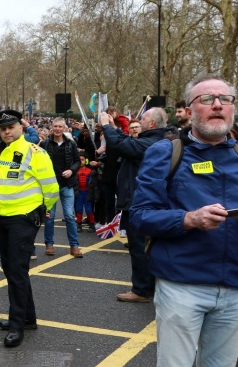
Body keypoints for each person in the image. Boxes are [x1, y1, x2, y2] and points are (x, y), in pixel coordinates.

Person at [130, 74, 238, 366]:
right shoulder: (166, 153)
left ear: (232, 108)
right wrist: (189, 219)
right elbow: (140, 216)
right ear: (189, 112)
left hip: (234, 289)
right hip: (182, 285)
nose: (217, 105)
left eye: (225, 99)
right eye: (206, 99)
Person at [0, 110, 59, 347]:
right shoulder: (3, 152)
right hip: (4, 217)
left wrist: (43, 210)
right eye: (3, 129)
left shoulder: (34, 152)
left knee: (17, 271)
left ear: (21, 127)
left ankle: (17, 324)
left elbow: (50, 186)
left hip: (24, 218)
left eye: (11, 127)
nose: (7, 132)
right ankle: (27, 318)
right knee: (12, 269)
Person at [102, 107, 166, 302]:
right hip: (142, 201)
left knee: (139, 247)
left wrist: (106, 126)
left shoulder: (152, 143)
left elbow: (122, 145)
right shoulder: (153, 140)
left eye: (144, 118)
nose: (140, 120)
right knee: (147, 247)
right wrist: (115, 128)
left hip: (138, 203)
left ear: (152, 124)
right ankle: (150, 286)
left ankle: (141, 290)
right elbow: (127, 142)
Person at [39, 118, 83, 258]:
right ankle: (49, 245)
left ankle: (74, 246)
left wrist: (71, 170)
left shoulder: (71, 143)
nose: (57, 129)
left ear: (64, 128)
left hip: (67, 184)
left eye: (60, 126)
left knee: (70, 216)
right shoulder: (45, 143)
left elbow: (77, 161)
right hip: (50, 185)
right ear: (51, 127)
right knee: (50, 217)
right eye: (55, 126)